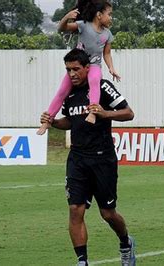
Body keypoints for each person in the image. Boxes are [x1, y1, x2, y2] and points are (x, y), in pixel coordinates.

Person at [39, 48, 135, 266]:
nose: (72, 74)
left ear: (86, 68)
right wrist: (52, 121)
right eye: (68, 70)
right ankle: (82, 261)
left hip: (103, 159)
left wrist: (105, 113)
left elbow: (129, 113)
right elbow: (70, 121)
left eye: (76, 69)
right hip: (77, 159)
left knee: (108, 214)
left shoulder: (102, 87)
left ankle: (126, 242)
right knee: (75, 209)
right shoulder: (69, 93)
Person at [38, 0, 120, 135]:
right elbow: (61, 28)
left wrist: (111, 68)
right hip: (78, 63)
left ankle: (93, 113)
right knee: (62, 91)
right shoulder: (83, 26)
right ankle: (48, 120)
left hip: (94, 65)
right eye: (109, 14)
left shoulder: (107, 34)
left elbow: (107, 53)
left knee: (94, 82)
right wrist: (67, 17)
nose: (111, 18)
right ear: (99, 15)